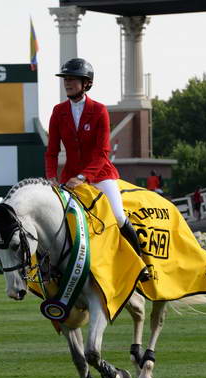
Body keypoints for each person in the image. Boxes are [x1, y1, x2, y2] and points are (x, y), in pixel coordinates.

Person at [45, 58, 149, 281]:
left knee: (119, 216)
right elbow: (52, 151)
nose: (67, 83)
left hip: (100, 175)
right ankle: (53, 267)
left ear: (86, 83)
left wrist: (83, 177)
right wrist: (52, 177)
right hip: (69, 177)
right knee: (57, 221)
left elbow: (103, 152)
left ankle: (140, 264)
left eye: (72, 79)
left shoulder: (99, 110)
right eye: (66, 79)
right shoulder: (58, 111)